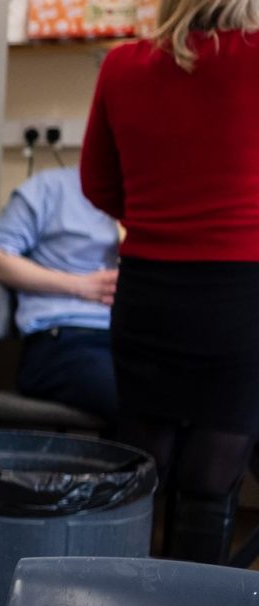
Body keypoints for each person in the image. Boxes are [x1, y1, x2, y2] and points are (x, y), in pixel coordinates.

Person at [80, 0, 259, 564]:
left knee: (144, 462)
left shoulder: (124, 65)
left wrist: (163, 217)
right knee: (212, 474)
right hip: (242, 296)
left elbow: (97, 184)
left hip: (149, 293)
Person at [0, 166, 120, 419]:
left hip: (120, 339)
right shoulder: (50, 188)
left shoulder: (145, 195)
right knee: (140, 400)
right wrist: (79, 285)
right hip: (62, 341)